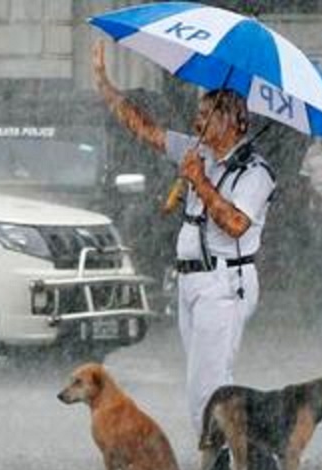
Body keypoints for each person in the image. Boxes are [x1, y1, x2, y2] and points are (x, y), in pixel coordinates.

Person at [91, 41, 276, 435]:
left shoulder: (254, 172)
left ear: (235, 120)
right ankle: (226, 464)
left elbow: (236, 224)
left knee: (206, 385)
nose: (199, 124)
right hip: (192, 280)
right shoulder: (199, 152)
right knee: (203, 381)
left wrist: (199, 181)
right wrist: (107, 87)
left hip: (224, 281)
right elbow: (147, 131)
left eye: (208, 116)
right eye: (199, 114)